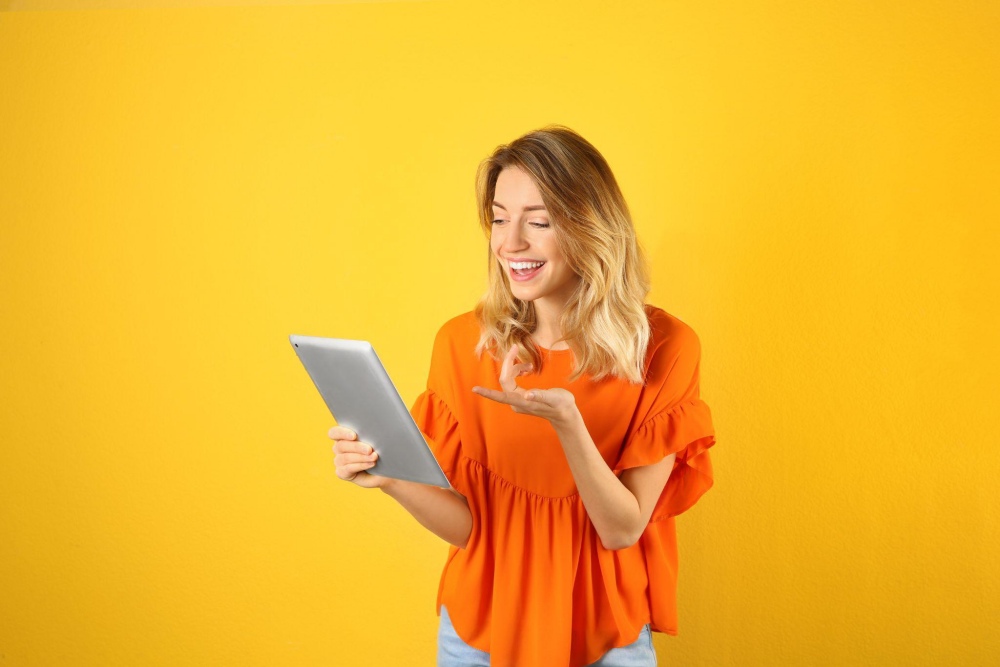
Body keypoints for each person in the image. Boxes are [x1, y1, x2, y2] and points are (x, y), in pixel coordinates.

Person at [329, 125, 716, 667]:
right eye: (500, 218)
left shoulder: (665, 349)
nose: (512, 244)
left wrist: (567, 422)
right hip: (477, 634)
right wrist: (390, 478)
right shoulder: (461, 343)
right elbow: (471, 528)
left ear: (591, 228)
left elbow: (622, 527)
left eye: (538, 221)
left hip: (607, 636)